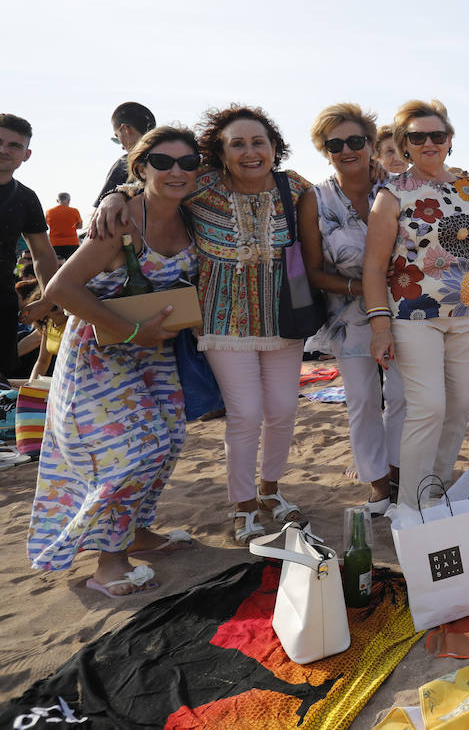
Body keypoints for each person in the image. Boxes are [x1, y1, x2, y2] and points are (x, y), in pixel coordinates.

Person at [95, 104, 315, 541]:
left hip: (284, 321)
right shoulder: (201, 185)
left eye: (259, 142)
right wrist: (115, 194)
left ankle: (270, 491)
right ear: (221, 151)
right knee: (245, 413)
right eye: (237, 144)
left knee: (285, 411)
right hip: (221, 322)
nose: (250, 152)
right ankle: (244, 504)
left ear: (274, 147)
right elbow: (155, 190)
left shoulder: (297, 189)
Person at [28, 126, 199, 597]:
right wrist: (131, 331)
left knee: (167, 443)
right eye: (162, 162)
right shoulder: (120, 222)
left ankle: (137, 533)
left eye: (188, 162)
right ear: (140, 167)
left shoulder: (193, 215)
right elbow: (60, 289)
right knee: (135, 452)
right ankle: (109, 564)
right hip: (99, 353)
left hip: (154, 353)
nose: (177, 171)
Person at [363, 99, 469, 510]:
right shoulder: (392, 195)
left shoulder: (468, 189)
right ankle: (408, 507)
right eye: (417, 137)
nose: (428, 143)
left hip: (468, 315)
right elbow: (373, 266)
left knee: (458, 408)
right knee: (428, 409)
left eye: (436, 135)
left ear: (449, 140)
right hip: (413, 316)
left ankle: (433, 496)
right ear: (404, 143)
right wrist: (380, 327)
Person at [299, 103, 404, 515]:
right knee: (362, 399)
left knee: (401, 398)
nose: (347, 149)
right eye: (335, 143)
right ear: (324, 150)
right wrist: (363, 287)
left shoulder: (396, 188)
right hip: (347, 315)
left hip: (404, 311)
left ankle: (399, 479)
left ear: (372, 143)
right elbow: (312, 270)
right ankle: (378, 487)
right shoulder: (315, 199)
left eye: (356, 140)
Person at [0, 114, 60, 382]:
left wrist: (47, 299)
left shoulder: (26, 198)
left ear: (26, 154)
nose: (4, 149)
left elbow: (43, 254)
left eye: (14, 145)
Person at [96, 102, 157, 206]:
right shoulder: (175, 158)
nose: (122, 147)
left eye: (118, 136)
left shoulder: (126, 162)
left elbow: (101, 211)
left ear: (124, 128)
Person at [45, 193, 82, 259]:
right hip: (72, 242)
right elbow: (80, 226)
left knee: (57, 266)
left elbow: (46, 225)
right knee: (71, 265)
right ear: (69, 200)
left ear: (57, 200)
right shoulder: (74, 211)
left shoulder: (49, 212)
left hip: (55, 243)